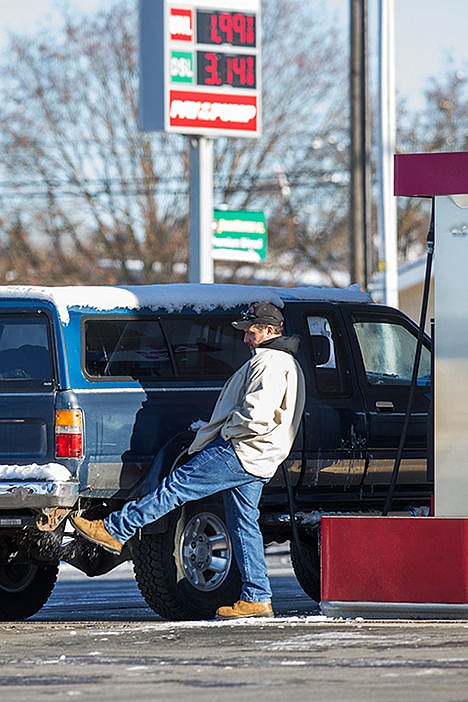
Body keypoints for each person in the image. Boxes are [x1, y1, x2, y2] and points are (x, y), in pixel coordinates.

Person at [71, 301, 306, 620]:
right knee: (243, 525)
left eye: (250, 332)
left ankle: (115, 529)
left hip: (241, 451)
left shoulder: (269, 362)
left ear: (268, 330)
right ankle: (257, 597)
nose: (245, 338)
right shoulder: (285, 362)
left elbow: (257, 416)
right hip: (260, 457)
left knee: (176, 487)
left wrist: (227, 430)